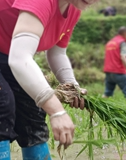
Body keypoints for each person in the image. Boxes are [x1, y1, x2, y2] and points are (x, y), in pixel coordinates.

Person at [0, 0, 98, 159]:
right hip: (12, 54)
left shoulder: (73, 8)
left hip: (6, 52)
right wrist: (57, 112)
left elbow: (57, 53)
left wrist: (71, 85)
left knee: (34, 111)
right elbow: (19, 59)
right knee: (2, 104)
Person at [103, 26, 126, 106]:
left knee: (108, 92)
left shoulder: (110, 42)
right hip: (118, 71)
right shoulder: (122, 42)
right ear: (125, 33)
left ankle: (97, 107)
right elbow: (123, 57)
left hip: (108, 71)